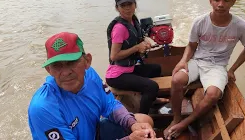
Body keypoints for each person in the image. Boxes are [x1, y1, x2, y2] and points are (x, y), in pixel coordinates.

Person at [28, 32, 163, 140]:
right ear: (49, 70)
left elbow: (110, 105)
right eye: (57, 66)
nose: (65, 72)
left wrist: (131, 124)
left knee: (144, 122)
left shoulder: (90, 75)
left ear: (87, 61)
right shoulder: (43, 108)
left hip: (93, 133)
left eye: (71, 62)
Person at [164, 0, 245, 139]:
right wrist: (183, 60)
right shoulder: (200, 22)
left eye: (226, 0)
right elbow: (191, 45)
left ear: (233, 2)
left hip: (218, 66)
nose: (221, 4)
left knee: (213, 94)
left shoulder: (241, 26)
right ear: (210, 0)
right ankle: (176, 118)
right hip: (197, 61)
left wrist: (232, 69)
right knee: (177, 80)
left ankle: (185, 123)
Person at [105, 0, 167, 115]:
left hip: (129, 68)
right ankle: (141, 119)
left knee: (156, 69)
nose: (127, 8)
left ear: (135, 5)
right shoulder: (119, 28)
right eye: (123, 6)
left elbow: (138, 37)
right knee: (152, 86)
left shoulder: (133, 20)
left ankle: (151, 100)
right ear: (117, 8)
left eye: (130, 4)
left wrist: (146, 42)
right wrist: (137, 48)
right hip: (116, 75)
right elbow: (114, 55)